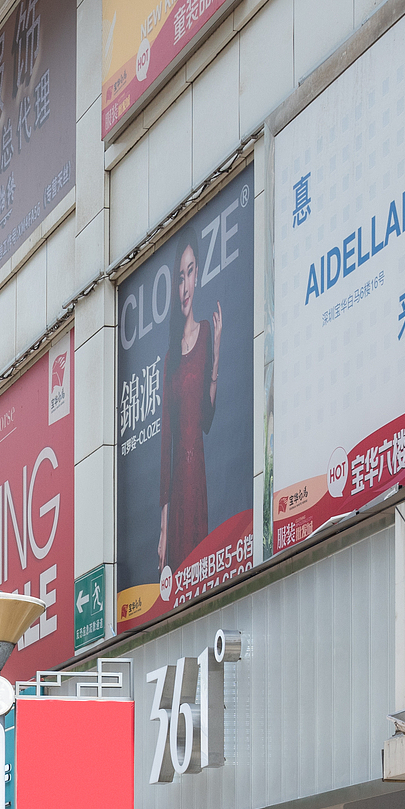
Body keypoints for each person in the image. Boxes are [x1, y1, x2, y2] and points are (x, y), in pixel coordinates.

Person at [156, 240, 222, 575]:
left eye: (190, 272)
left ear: (198, 275)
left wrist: (215, 363)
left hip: (198, 480)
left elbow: (207, 420)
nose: (184, 286)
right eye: (179, 277)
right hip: (177, 486)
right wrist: (164, 523)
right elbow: (166, 440)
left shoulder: (209, 332)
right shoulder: (169, 359)